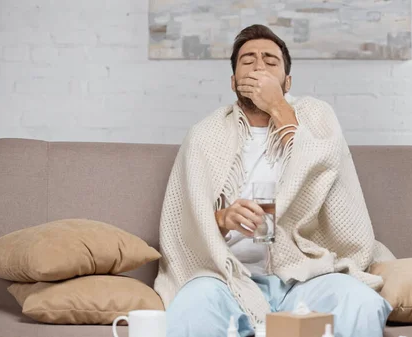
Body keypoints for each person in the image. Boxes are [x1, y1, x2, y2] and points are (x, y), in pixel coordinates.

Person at [154, 24, 393, 337]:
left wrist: (277, 105)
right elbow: (181, 224)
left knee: (361, 302)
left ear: (287, 80)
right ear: (233, 81)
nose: (258, 66)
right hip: (225, 279)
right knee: (190, 309)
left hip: (304, 277)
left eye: (270, 61)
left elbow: (323, 168)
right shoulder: (204, 134)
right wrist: (223, 218)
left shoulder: (317, 118)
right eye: (247, 60)